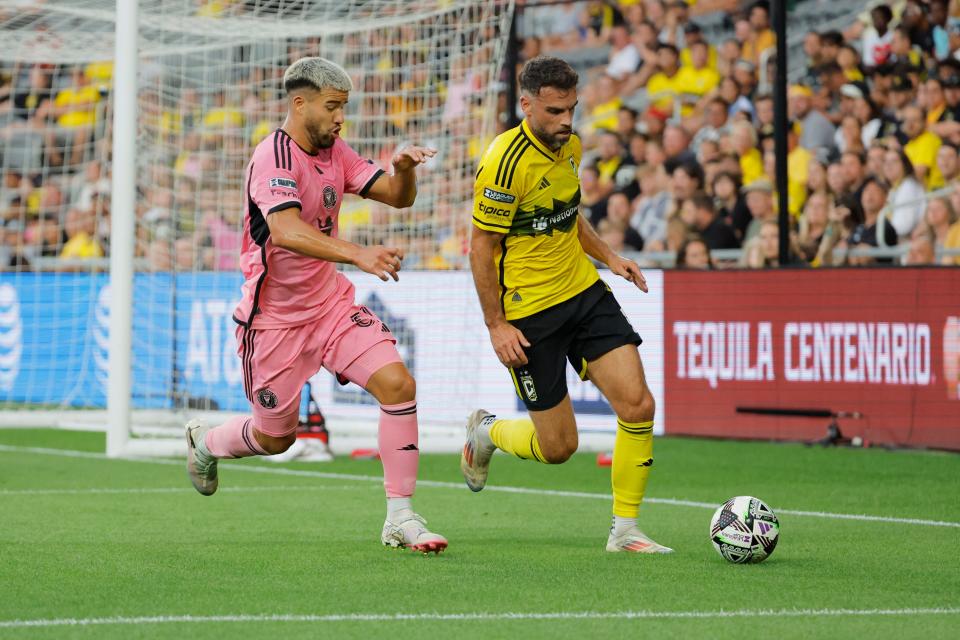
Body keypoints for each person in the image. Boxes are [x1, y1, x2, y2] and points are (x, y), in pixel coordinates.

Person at [183, 57, 447, 554]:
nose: (340, 117)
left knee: (397, 383)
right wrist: (357, 253)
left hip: (328, 306)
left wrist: (403, 170)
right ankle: (207, 442)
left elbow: (396, 196)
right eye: (332, 107)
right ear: (299, 102)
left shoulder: (336, 151)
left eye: (343, 107)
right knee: (275, 438)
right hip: (274, 322)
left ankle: (401, 517)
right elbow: (284, 230)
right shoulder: (273, 157)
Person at [463, 56, 671, 554]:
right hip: (531, 313)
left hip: (583, 293)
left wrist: (609, 257)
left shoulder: (570, 145)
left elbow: (567, 215)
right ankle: (488, 432)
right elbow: (481, 248)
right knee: (559, 448)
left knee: (638, 405)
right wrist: (496, 325)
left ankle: (625, 531)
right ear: (527, 104)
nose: (566, 121)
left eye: (572, 109)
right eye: (555, 111)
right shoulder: (504, 162)